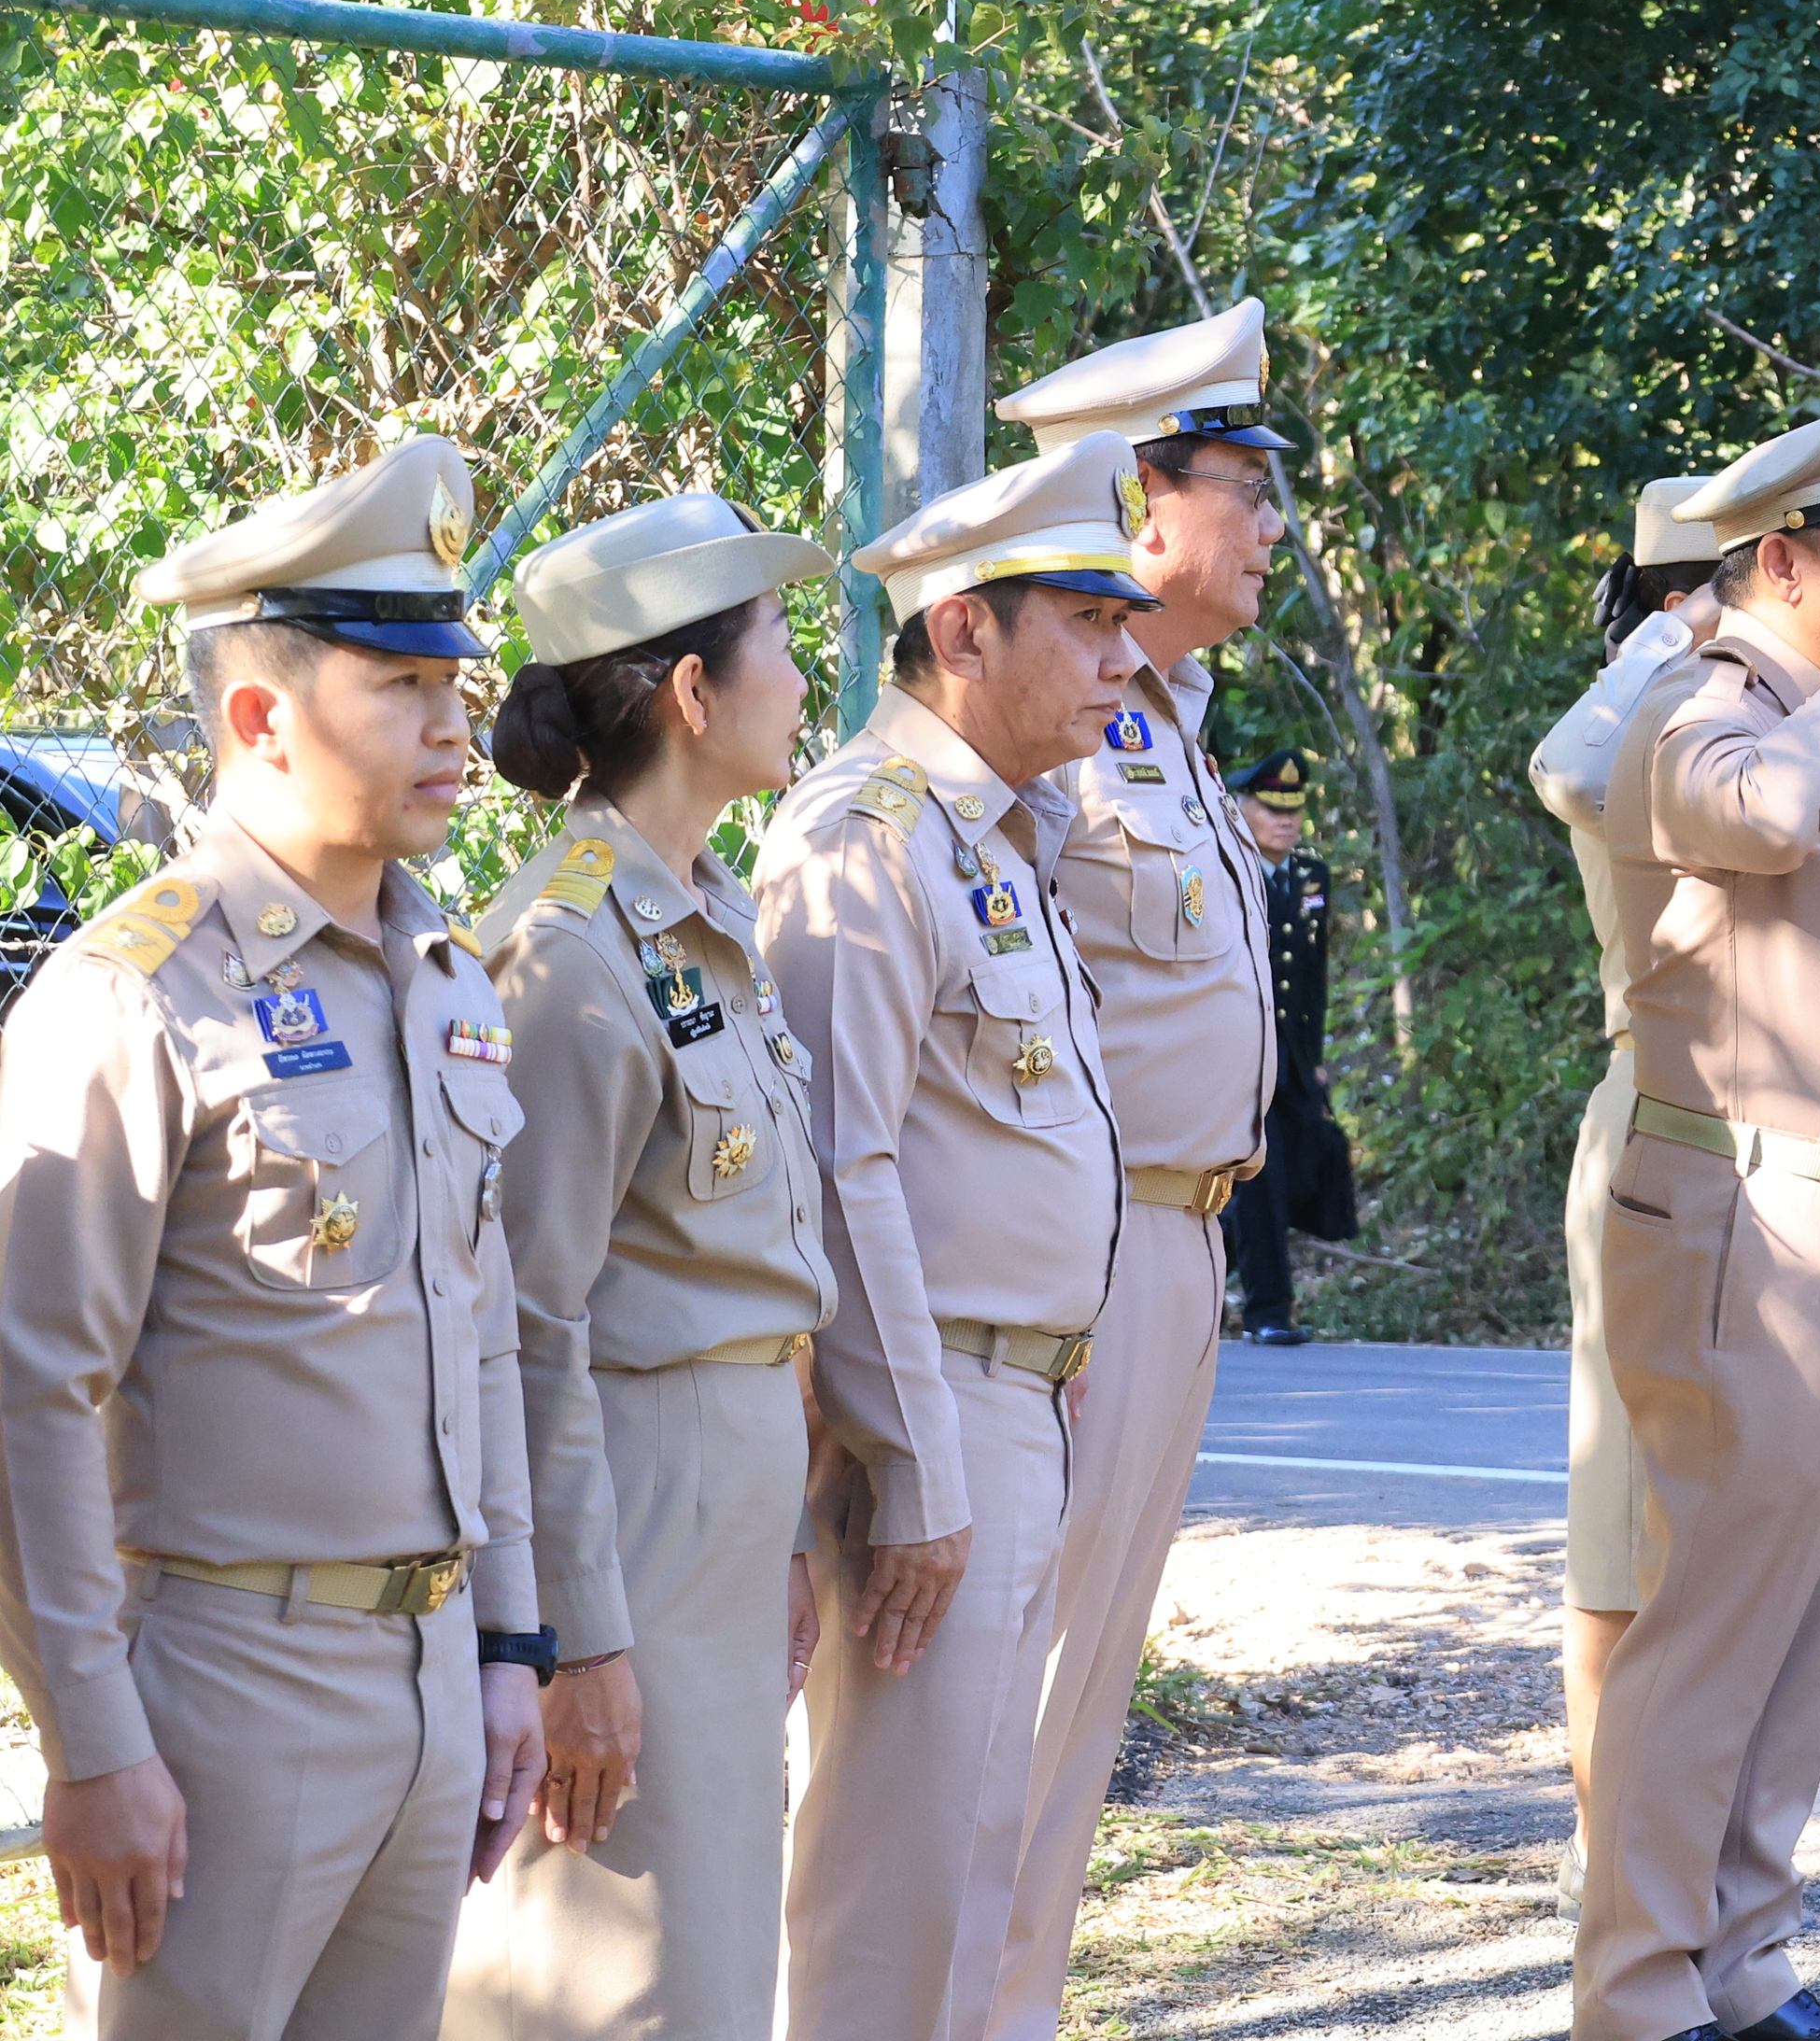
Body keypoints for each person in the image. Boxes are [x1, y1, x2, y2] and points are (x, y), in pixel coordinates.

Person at [0, 437, 547, 2034]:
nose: (455, 724)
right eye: (400, 686)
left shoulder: (438, 969)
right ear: (259, 717)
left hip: (434, 1673)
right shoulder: (135, 989)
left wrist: (511, 1641)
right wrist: (90, 1745)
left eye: (455, 680)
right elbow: (31, 1394)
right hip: (227, 1683)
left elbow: (482, 1325)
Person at [1578, 381, 1820, 2041]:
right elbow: (1747, 813)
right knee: (1708, 1632)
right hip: (1760, 1220)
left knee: (1805, 1631)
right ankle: (1636, 1992)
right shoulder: (1698, 700)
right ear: (1785, 556)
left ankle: (1738, 1959)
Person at [755, 435, 1155, 2041]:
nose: (1124, 657)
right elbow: (836, 1174)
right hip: (935, 1416)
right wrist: (912, 1458)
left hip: (1015, 1401)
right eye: (1086, 618)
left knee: (976, 1859)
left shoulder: (998, 835)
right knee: (893, 1884)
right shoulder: (864, 835)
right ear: (965, 631)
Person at [444, 494, 840, 2041]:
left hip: (727, 1491)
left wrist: (792, 1527)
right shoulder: (566, 956)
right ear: (691, 691)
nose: (805, 678)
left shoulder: (696, 917)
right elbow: (528, 1323)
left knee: (720, 1947)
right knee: (619, 1962)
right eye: (780, 646)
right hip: (630, 1502)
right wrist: (567, 1639)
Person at [981, 304, 1291, 2041]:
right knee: (997, 1691)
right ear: (1140, 506)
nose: (1264, 527)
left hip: (1182, 1242)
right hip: (1082, 1248)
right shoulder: (1046, 745)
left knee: (1085, 1686)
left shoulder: (1166, 719)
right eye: (1240, 487)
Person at [1526, 472, 1723, 1920]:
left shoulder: (1747, 731)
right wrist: (1674, 642)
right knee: (1626, 1551)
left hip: (1777, 1175)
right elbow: (1574, 770)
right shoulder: (1639, 728)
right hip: (1663, 1140)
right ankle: (1616, 1884)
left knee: (1725, 1554)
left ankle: (1700, 1889)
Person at [1218, 748, 1352, 1341]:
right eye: (1271, 808)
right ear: (1242, 807)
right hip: (1241, 1052)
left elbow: (1313, 976)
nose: (1285, 820)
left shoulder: (1311, 876)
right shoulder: (1225, 872)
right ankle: (1269, 1312)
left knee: (1310, 1157)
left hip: (1293, 1056)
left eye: (1293, 810)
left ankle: (1213, 1246)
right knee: (1263, 1179)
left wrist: (1315, 1060)